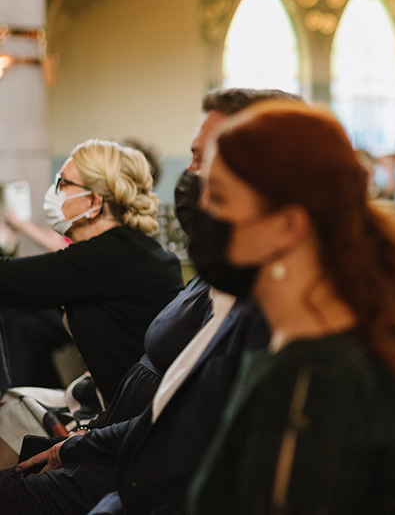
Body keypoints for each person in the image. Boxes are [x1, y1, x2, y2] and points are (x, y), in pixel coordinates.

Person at [0, 87, 289, 515]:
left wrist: (84, 446)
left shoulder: (121, 255)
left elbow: (188, 422)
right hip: (115, 438)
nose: (190, 177)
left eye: (204, 161)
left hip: (129, 459)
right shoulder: (206, 278)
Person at [188, 103, 395, 514]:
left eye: (217, 197)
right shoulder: (312, 340)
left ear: (288, 226)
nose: (203, 215)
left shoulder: (317, 379)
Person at [0, 140, 183, 406]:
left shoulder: (109, 256)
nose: (54, 192)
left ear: (94, 203)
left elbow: (7, 278)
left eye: (63, 184)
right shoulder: (127, 248)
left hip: (144, 426)